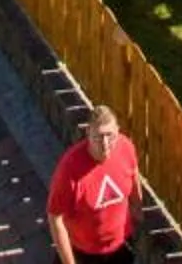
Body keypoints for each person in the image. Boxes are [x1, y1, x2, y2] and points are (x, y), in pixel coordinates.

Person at [46, 103, 140, 264]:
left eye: (110, 136)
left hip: (121, 246)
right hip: (84, 253)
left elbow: (134, 172)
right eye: (98, 137)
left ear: (118, 130)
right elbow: (55, 217)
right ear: (88, 133)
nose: (105, 144)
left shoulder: (126, 148)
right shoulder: (70, 168)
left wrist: (137, 207)